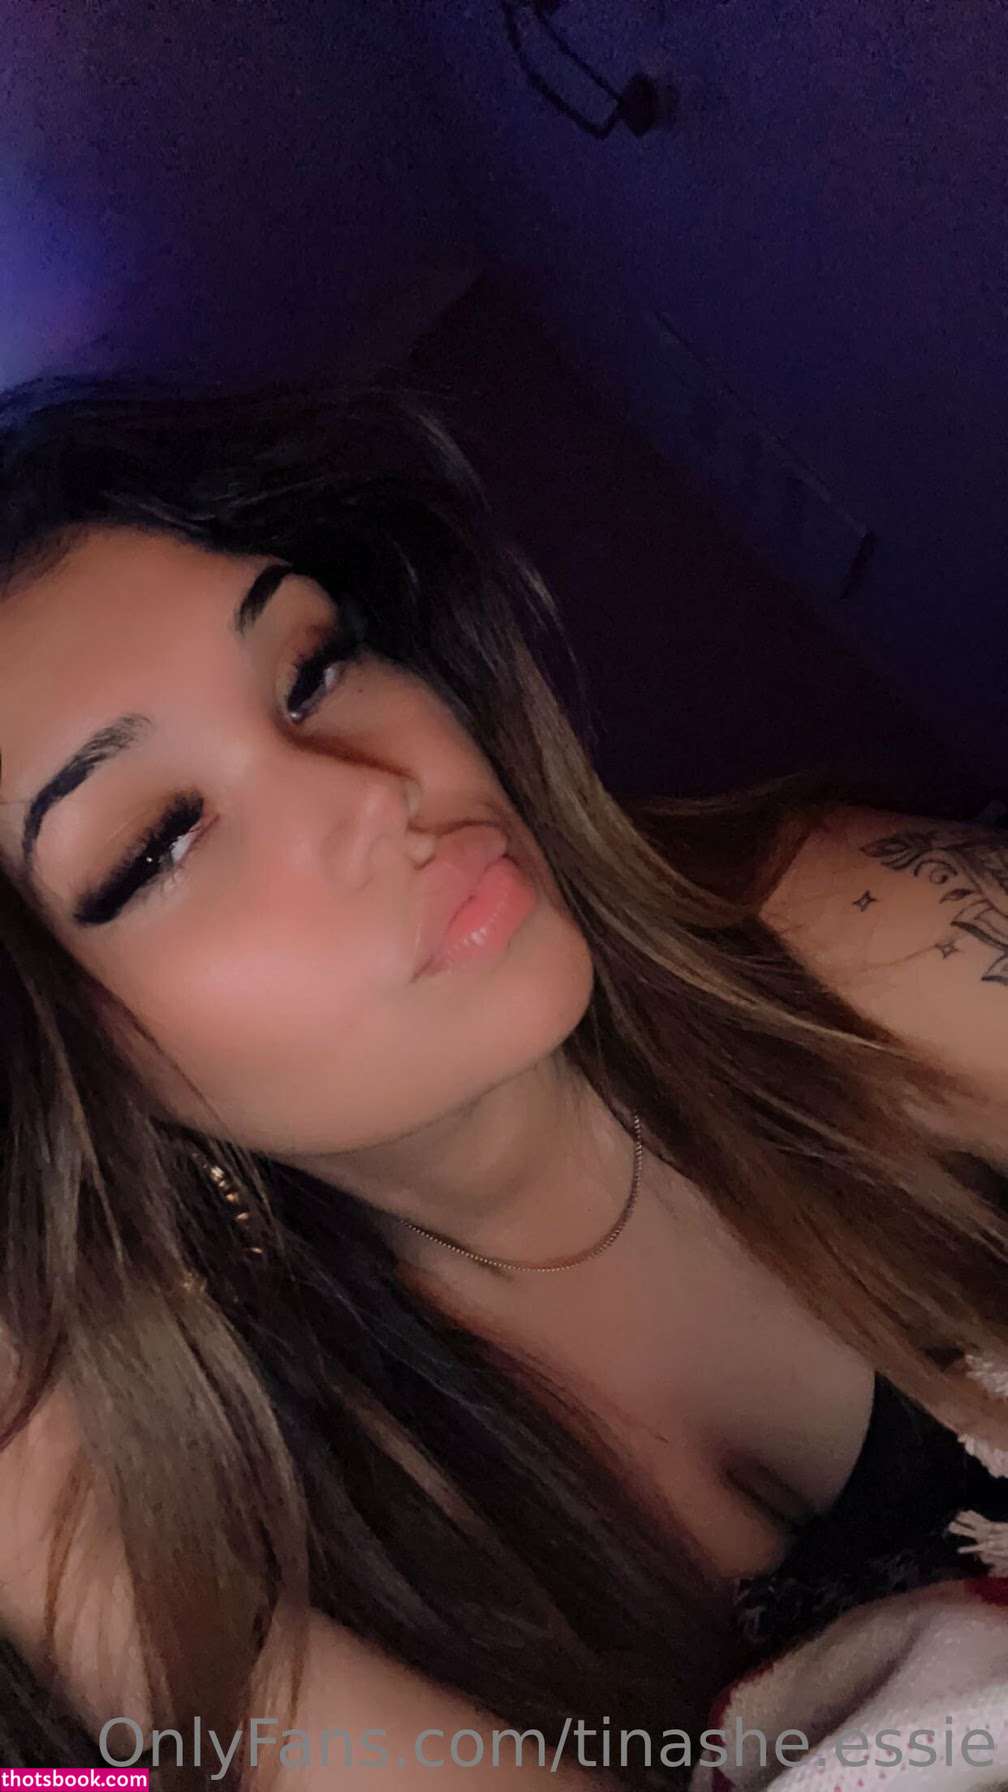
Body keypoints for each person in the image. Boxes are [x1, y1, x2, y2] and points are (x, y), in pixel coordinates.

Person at [1, 369, 1008, 1792]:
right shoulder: (263, 1516)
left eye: (314, 667)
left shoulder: (844, 949)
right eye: (161, 838)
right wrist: (69, 1562)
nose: (371, 789)